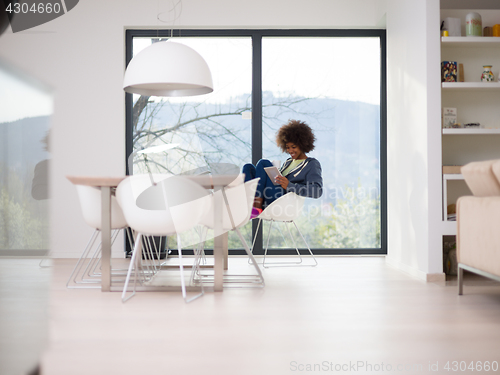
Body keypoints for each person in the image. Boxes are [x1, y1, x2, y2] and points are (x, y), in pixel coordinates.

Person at [242, 119, 323, 218]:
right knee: (248, 168)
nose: (290, 151)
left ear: (303, 144)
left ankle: (256, 206)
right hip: (269, 195)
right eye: (288, 147)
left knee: (263, 163)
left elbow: (317, 191)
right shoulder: (288, 162)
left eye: (293, 147)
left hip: (282, 202)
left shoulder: (311, 164)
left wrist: (290, 185)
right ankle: (249, 204)